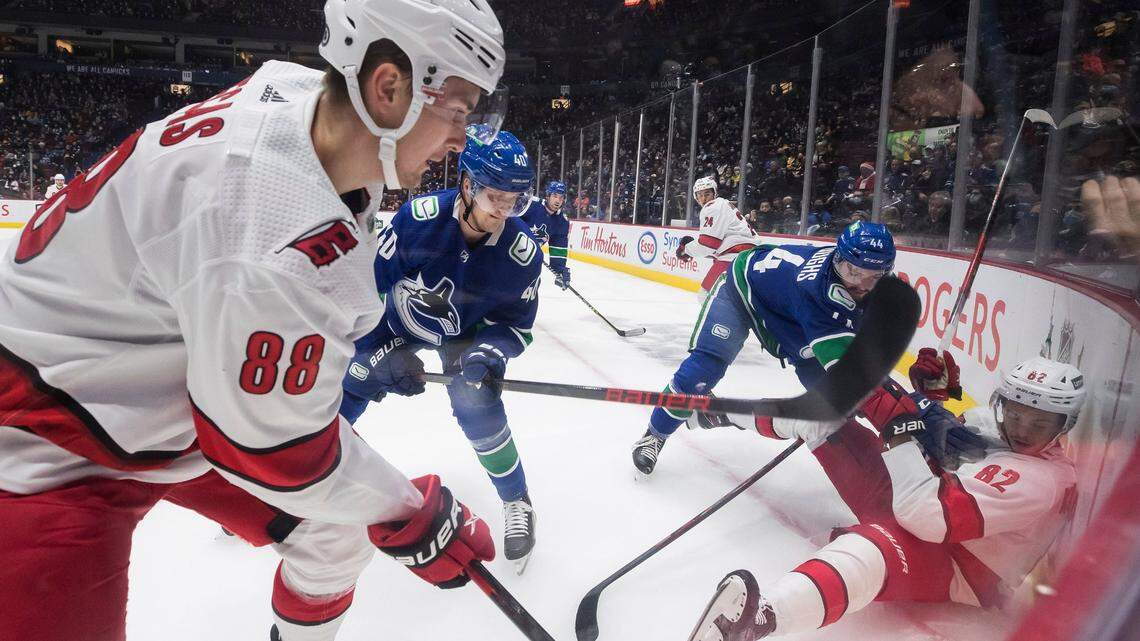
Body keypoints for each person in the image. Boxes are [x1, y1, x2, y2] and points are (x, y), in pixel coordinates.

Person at [0, 1, 510, 640]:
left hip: (148, 390)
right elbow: (278, 455)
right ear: (388, 89)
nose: (464, 139)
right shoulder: (272, 239)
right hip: (41, 431)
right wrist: (412, 511)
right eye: (459, 111)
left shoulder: (293, 95)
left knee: (335, 534)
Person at [689, 354, 1082, 641]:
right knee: (820, 417)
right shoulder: (997, 429)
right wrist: (928, 400)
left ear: (1065, 424)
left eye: (1040, 422)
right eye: (1015, 414)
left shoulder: (1043, 480)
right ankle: (716, 411)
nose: (1023, 429)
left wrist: (900, 428)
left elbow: (926, 515)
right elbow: (955, 445)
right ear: (1002, 405)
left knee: (874, 545)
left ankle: (760, 619)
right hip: (927, 506)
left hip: (962, 567)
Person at [340, 127, 542, 574]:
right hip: (394, 322)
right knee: (349, 386)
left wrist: (488, 354)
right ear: (467, 184)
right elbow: (369, 286)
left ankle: (517, 500)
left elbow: (517, 327)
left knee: (477, 401)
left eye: (515, 202)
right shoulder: (418, 217)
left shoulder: (522, 254)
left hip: (462, 336)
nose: (504, 212)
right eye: (495, 198)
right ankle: (291, 479)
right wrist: (374, 351)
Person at [632, 221, 897, 475]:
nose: (860, 285)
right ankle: (654, 435)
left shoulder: (875, 291)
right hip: (741, 291)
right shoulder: (817, 287)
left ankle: (714, 414)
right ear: (839, 260)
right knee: (702, 371)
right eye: (853, 272)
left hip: (789, 317)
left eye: (872, 277)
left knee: (832, 395)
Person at [676, 176, 761, 297]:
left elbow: (708, 245)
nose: (704, 198)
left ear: (714, 193)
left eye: (707, 194)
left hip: (735, 257)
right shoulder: (723, 204)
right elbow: (717, 247)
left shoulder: (712, 207)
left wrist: (685, 250)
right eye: (700, 195)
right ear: (696, 197)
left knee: (706, 295)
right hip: (750, 254)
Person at [521, 180, 571, 290]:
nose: (558, 200)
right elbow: (507, 217)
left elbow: (558, 251)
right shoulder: (530, 204)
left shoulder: (562, 222)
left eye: (561, 197)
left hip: (527, 263)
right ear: (548, 196)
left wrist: (560, 270)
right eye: (555, 196)